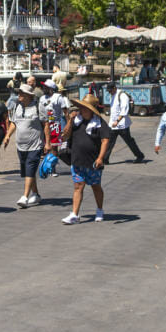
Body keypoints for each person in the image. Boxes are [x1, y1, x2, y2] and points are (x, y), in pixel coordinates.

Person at [60, 94, 110, 224]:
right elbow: (64, 136)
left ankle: (99, 210)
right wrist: (70, 120)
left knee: (95, 186)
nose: (81, 109)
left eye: (84, 108)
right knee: (78, 186)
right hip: (77, 160)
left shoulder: (99, 123)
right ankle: (74, 214)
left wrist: (100, 158)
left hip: (93, 162)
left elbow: (105, 141)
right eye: (81, 107)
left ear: (91, 109)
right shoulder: (76, 121)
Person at [6, 82, 47, 207]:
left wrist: (48, 143)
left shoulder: (38, 107)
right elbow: (14, 123)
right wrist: (7, 135)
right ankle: (36, 194)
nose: (19, 95)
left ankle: (25, 196)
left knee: (30, 169)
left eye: (21, 93)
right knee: (28, 172)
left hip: (35, 145)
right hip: (20, 146)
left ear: (29, 95)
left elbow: (46, 125)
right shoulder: (17, 106)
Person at [104, 80, 147, 164]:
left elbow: (124, 110)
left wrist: (117, 121)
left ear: (114, 88)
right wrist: (112, 122)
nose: (109, 92)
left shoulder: (122, 95)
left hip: (122, 124)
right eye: (108, 91)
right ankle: (105, 159)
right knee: (110, 142)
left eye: (110, 90)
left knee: (129, 141)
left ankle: (139, 155)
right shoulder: (112, 95)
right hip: (113, 124)